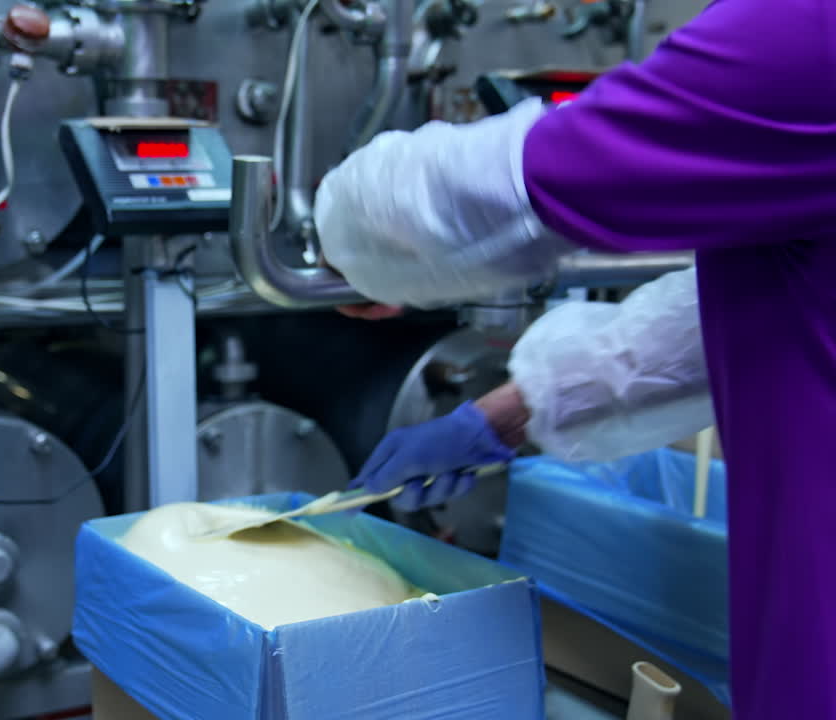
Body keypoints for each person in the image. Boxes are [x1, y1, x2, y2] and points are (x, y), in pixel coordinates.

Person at [311, 0, 836, 716]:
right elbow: (756, 302)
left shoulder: (806, 29)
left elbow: (505, 194)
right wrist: (515, 410)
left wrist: (339, 239)